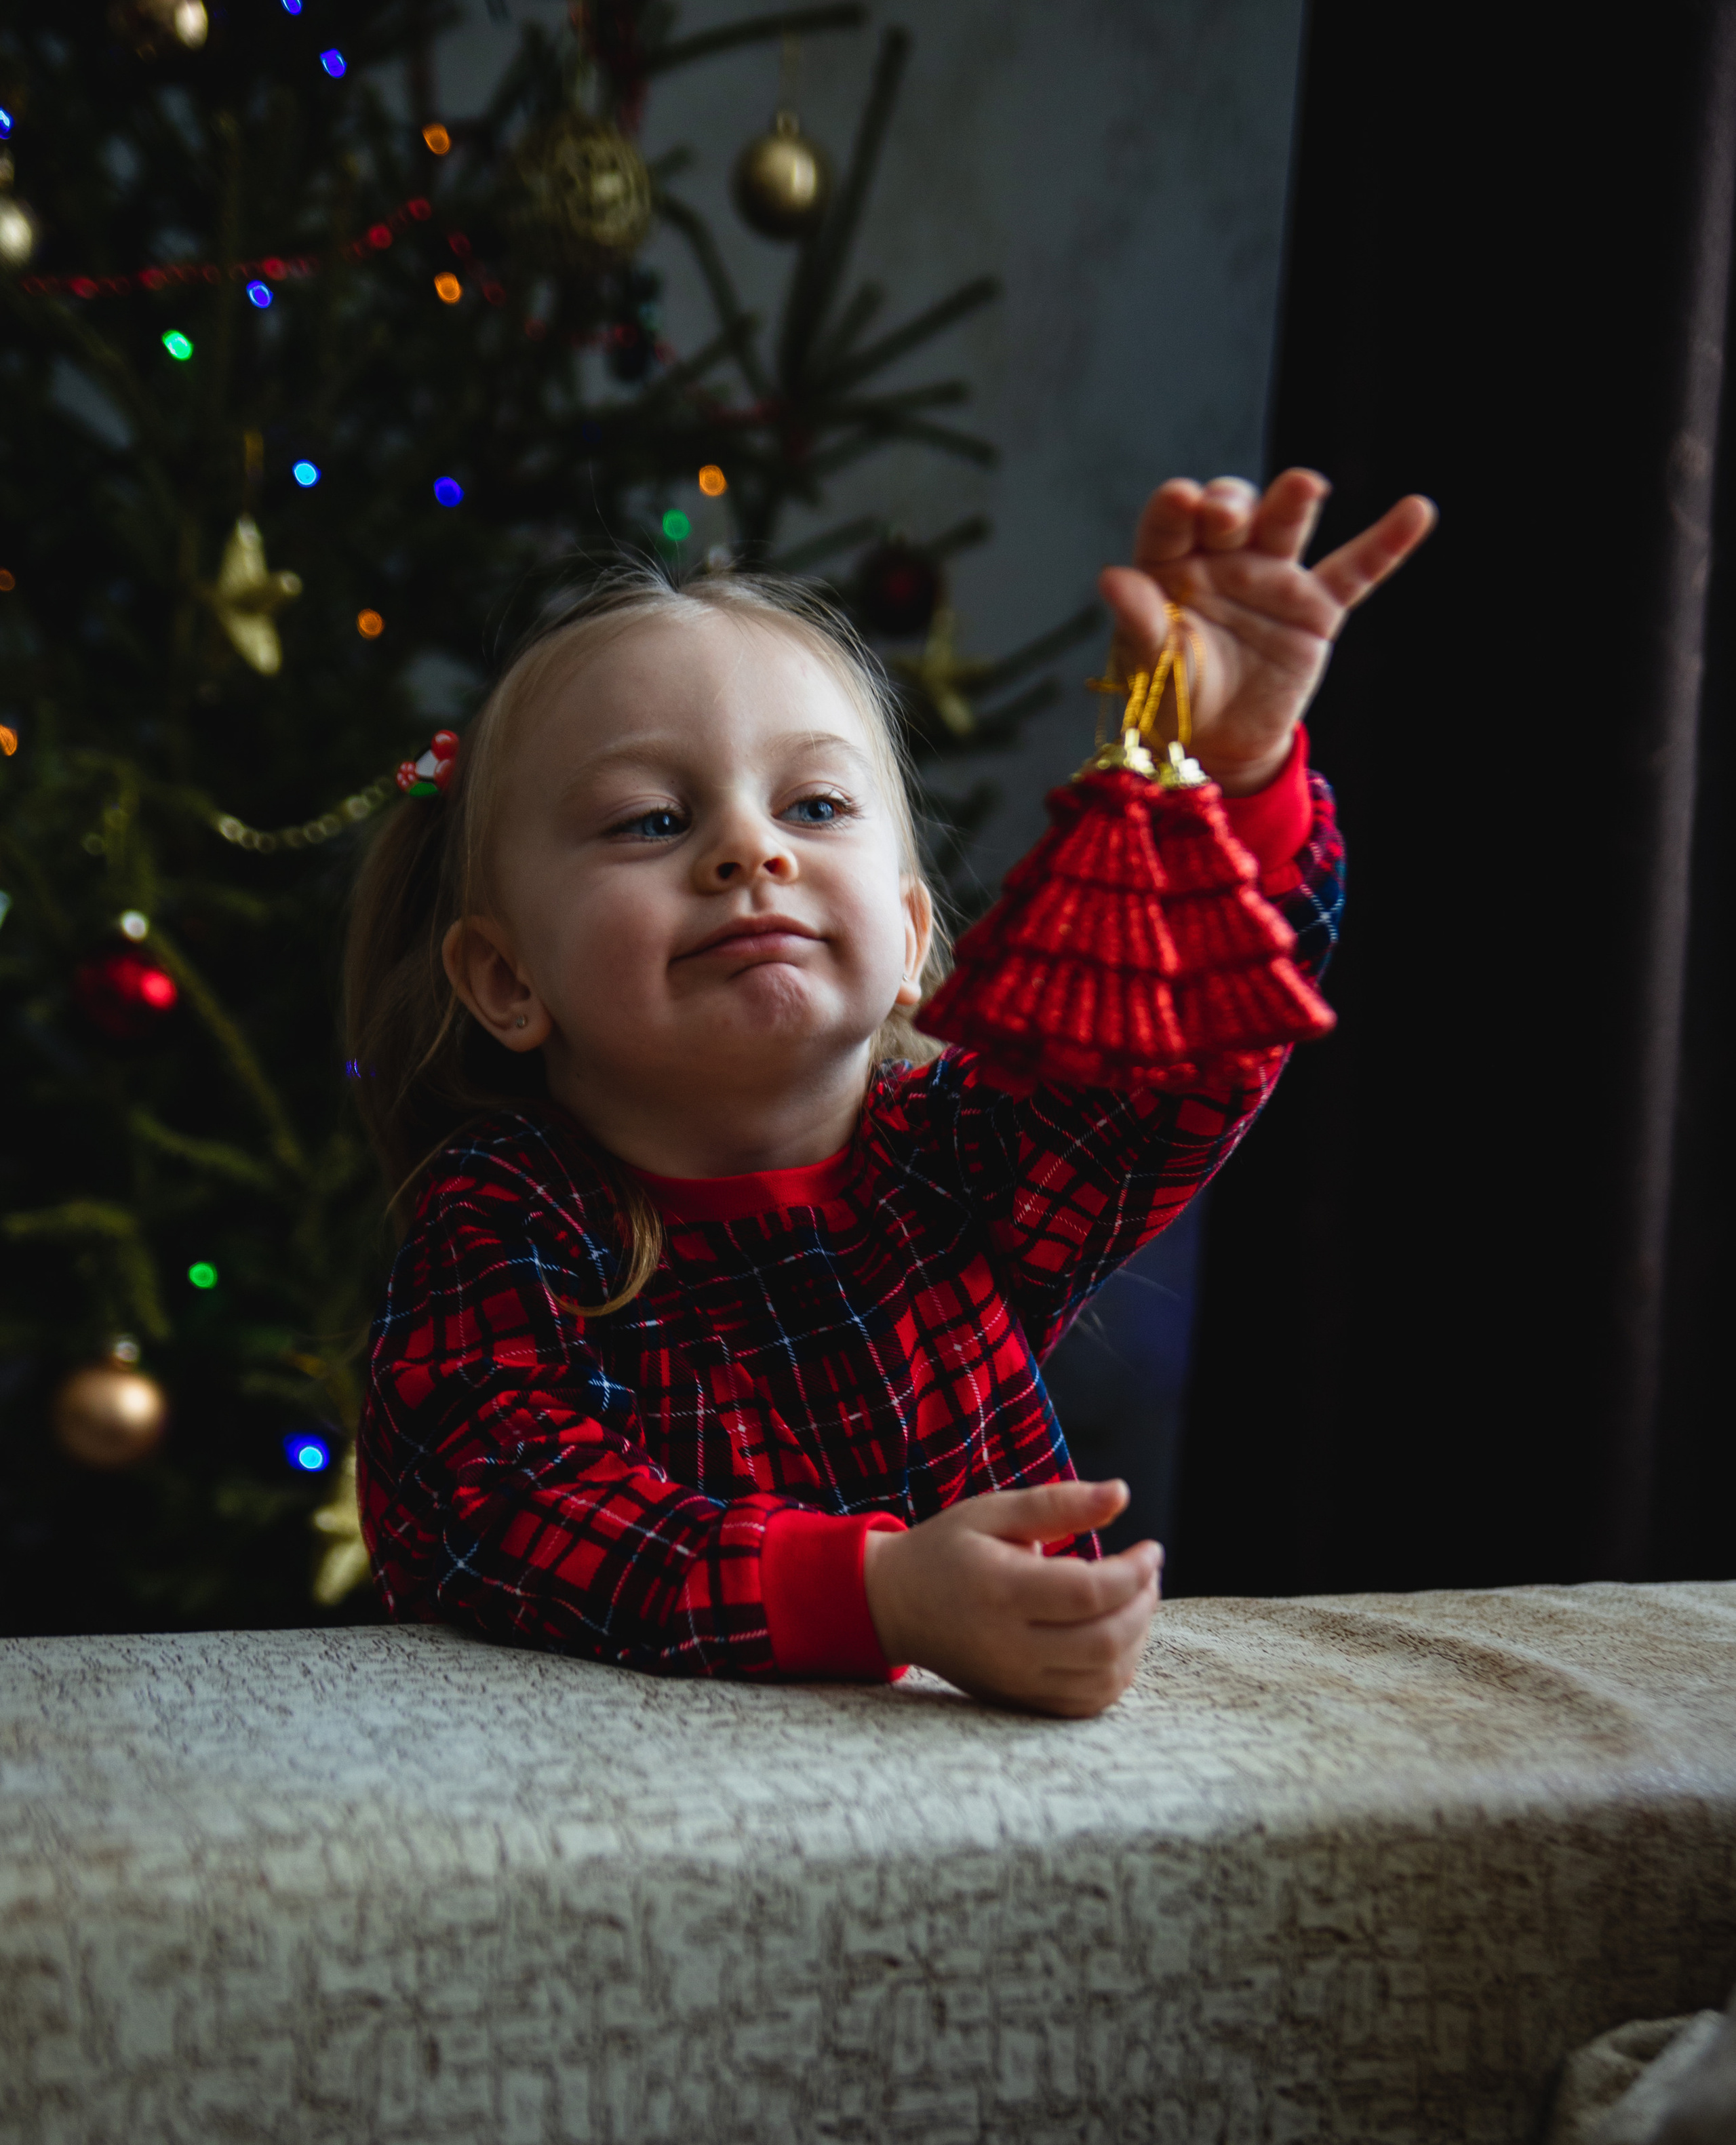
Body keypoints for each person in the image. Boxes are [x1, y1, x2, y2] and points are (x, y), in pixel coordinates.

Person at [349, 469, 1433, 1714]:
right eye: (649, 820)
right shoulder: (511, 1219)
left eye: (814, 805)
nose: (750, 850)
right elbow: (498, 1508)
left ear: (912, 939)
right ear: (507, 979)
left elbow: (1180, 1045)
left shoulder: (960, 1155)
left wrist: (1233, 780)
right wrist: (880, 1595)